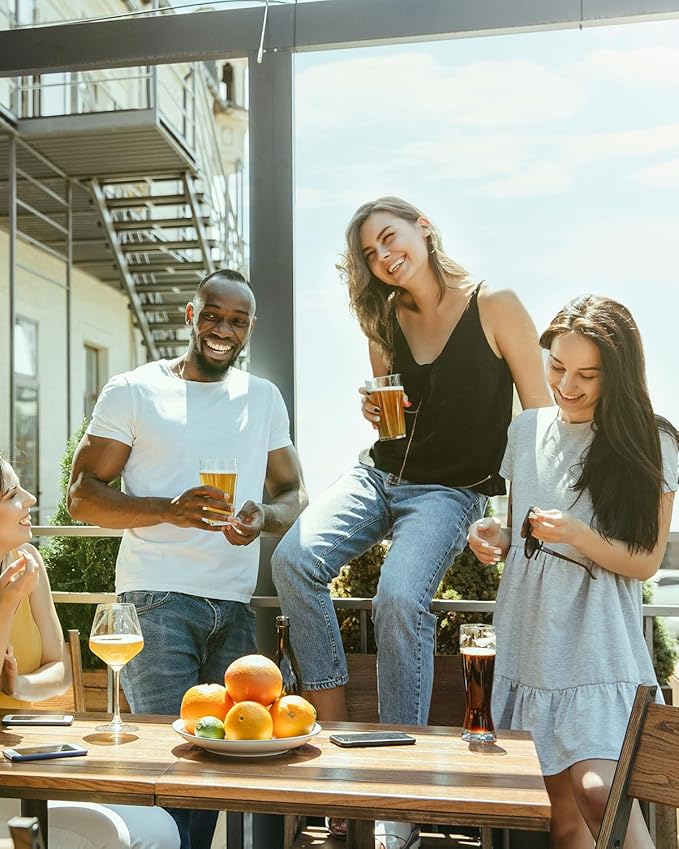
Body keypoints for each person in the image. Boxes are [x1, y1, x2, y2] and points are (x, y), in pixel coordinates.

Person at [271, 196, 552, 849]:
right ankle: (339, 748)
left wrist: (517, 522)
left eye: (390, 238)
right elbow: (394, 431)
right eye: (371, 252)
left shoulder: (496, 305)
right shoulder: (384, 318)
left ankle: (397, 789)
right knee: (291, 560)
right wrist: (382, 415)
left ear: (423, 227)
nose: (384, 256)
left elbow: (538, 426)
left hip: (449, 493)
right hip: (379, 477)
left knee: (400, 596)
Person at [67, 268, 307, 849]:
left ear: (249, 327)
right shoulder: (133, 390)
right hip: (156, 603)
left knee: (221, 769)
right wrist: (169, 510)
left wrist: (261, 521)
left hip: (233, 604)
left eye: (237, 320)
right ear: (190, 316)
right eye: (213, 315)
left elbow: (293, 495)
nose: (223, 329)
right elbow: (81, 497)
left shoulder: (263, 396)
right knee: (171, 767)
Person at [467, 295, 679, 849]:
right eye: (557, 367)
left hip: (597, 644)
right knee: (561, 819)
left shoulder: (651, 441)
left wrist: (578, 535)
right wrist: (499, 536)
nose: (567, 385)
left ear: (618, 373)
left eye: (588, 374)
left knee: (597, 791)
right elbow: (523, 531)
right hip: (530, 636)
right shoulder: (526, 431)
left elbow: (647, 561)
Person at [0, 456, 181, 849]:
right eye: (13, 494)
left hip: (30, 759)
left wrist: (20, 686)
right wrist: (6, 604)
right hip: (6, 786)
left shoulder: (27, 562)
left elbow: (59, 670)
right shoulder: (15, 583)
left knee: (159, 826)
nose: (30, 498)